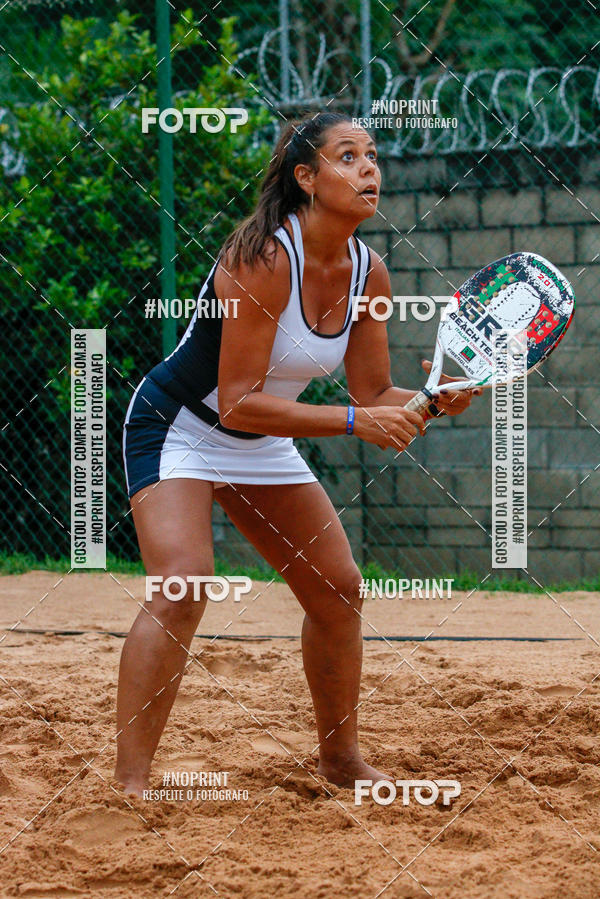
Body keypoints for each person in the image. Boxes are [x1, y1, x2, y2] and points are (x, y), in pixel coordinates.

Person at [116, 111, 478, 796]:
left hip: (260, 434)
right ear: (306, 178)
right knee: (183, 583)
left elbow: (372, 391)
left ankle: (341, 762)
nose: (369, 169)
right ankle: (131, 784)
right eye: (348, 156)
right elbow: (236, 401)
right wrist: (354, 423)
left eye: (373, 155)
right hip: (181, 425)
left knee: (338, 590)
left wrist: (434, 396)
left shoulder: (370, 274)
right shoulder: (264, 256)